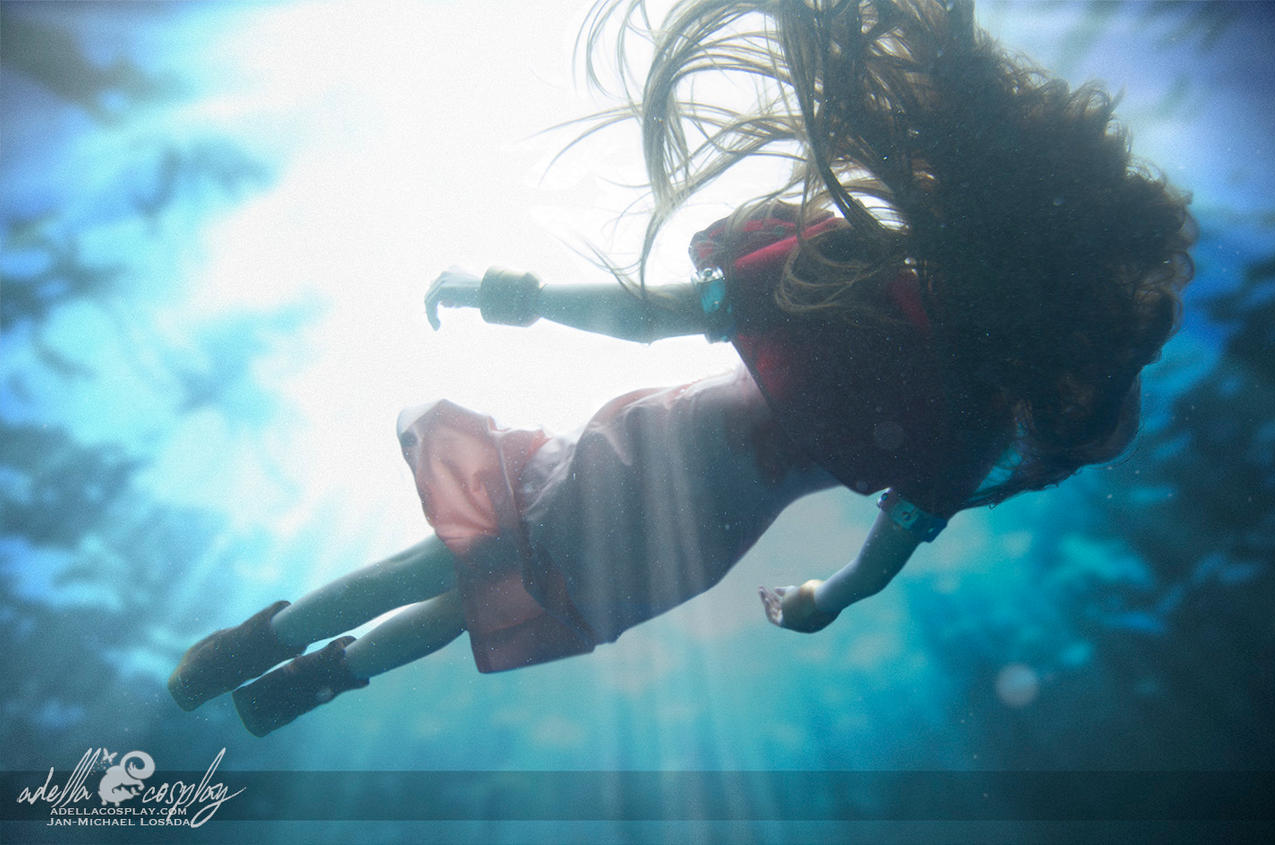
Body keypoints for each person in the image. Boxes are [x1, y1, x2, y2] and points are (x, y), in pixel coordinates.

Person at [168, 0, 1193, 736]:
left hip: (648, 459)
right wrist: (826, 597)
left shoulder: (861, 288)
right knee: (480, 589)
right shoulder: (960, 424)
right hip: (691, 537)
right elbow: (891, 546)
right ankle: (315, 674)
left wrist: (512, 292)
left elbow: (650, 315)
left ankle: (269, 642)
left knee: (462, 555)